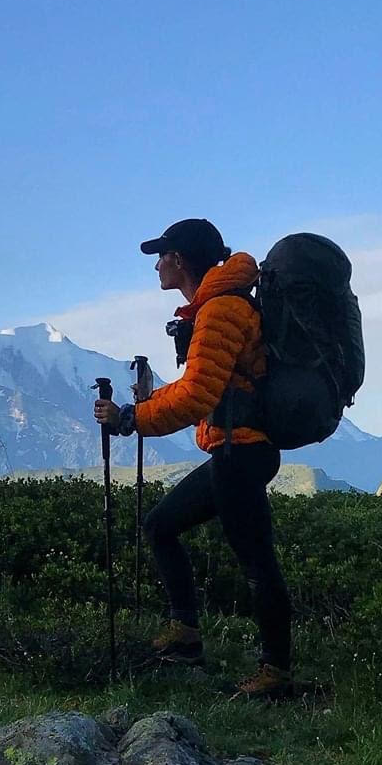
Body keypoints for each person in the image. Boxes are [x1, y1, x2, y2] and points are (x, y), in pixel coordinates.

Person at [93, 217, 293, 698]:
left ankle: (276, 672)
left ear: (179, 260)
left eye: (161, 257)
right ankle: (185, 633)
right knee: (161, 526)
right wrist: (145, 405)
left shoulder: (220, 310)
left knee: (257, 562)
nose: (157, 266)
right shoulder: (215, 306)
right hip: (236, 450)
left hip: (241, 452)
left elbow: (196, 397)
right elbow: (201, 385)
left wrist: (130, 418)